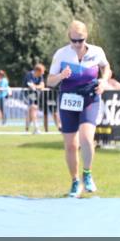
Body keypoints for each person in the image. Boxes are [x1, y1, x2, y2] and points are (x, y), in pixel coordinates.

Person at [46, 21, 111, 198]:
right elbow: (49, 81)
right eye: (73, 40)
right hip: (68, 99)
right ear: (69, 38)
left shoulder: (97, 51)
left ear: (86, 37)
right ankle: (75, 181)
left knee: (87, 138)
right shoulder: (61, 54)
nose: (77, 44)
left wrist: (104, 81)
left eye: (80, 40)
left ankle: (87, 173)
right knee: (71, 145)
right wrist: (61, 76)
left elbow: (106, 67)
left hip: (90, 97)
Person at [24, 63, 47, 133]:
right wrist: (37, 86)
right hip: (28, 94)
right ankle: (36, 128)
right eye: (42, 71)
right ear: (37, 71)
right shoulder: (29, 75)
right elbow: (31, 86)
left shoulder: (40, 76)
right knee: (33, 109)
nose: (43, 73)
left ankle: (26, 129)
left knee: (31, 112)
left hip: (36, 95)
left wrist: (36, 86)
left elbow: (42, 86)